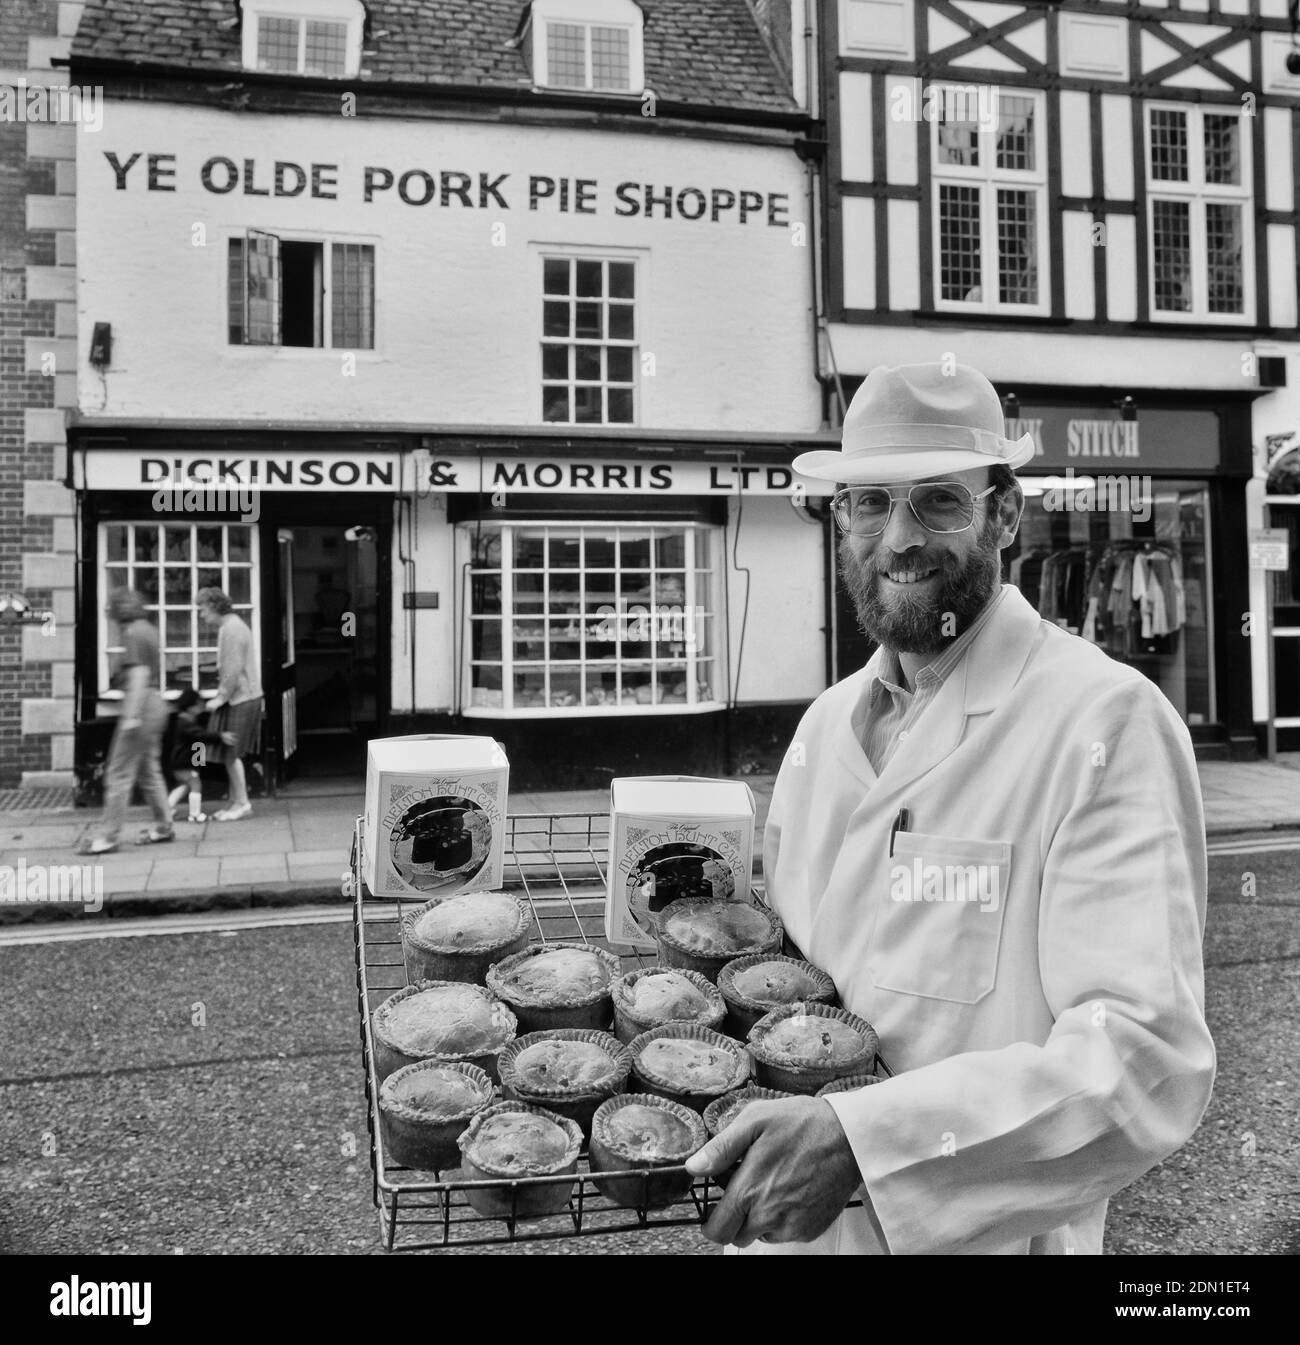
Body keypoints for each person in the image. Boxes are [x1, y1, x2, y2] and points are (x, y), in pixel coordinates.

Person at [685, 362, 1215, 1254]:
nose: (897, 539)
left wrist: (866, 1145)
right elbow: (786, 980)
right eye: (868, 503)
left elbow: (1142, 1060)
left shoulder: (1104, 720)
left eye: (938, 501)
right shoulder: (824, 727)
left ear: (1005, 515)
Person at [78, 590, 174, 854]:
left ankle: (108, 836)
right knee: (148, 771)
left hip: (140, 706)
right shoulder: (149, 630)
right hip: (156, 704)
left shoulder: (132, 632)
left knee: (118, 773)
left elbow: (140, 675)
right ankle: (163, 826)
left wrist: (131, 716)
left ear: (119, 611)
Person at [196, 587, 263, 822]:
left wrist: (220, 697)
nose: (201, 615)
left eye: (202, 609)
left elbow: (232, 669)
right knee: (230, 754)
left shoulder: (231, 630)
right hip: (245, 696)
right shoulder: (233, 625)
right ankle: (235, 802)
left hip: (241, 698)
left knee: (232, 754)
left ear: (214, 607)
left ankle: (242, 803)